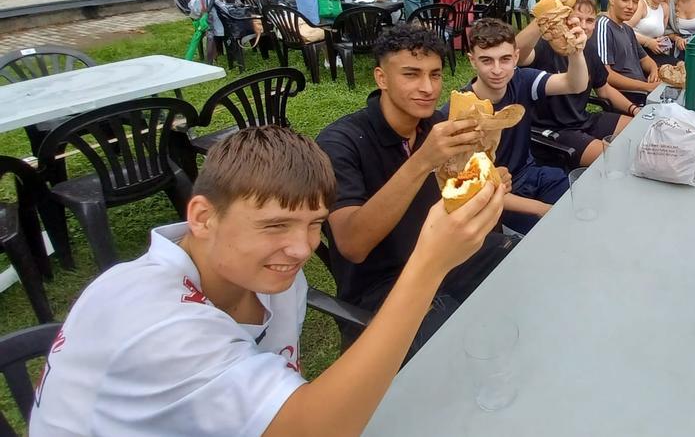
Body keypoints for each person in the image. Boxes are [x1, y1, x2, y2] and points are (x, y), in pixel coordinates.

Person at [30, 125, 506, 436]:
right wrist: (429, 265)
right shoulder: (150, 317)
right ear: (202, 216)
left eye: (314, 222)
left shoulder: (270, 276)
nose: (301, 249)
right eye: (275, 225)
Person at [317, 25, 514, 349]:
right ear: (382, 78)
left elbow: (455, 195)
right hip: (383, 286)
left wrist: (486, 183)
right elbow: (352, 243)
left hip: (445, 256)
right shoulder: (341, 143)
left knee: (523, 267)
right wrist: (422, 160)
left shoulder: (436, 126)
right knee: (472, 341)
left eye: (435, 75)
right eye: (411, 74)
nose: (427, 88)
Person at [449, 18, 588, 233]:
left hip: (532, 174)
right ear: (472, 61)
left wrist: (576, 52)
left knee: (584, 204)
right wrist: (543, 209)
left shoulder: (521, 81)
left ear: (515, 57)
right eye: (487, 61)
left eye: (505, 59)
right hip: (496, 196)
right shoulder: (460, 110)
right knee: (556, 232)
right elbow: (470, 188)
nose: (497, 70)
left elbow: (575, 84)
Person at [514, 0, 636, 167]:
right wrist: (543, 17)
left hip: (583, 120)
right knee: (617, 159)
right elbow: (515, 55)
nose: (585, 26)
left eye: (590, 21)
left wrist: (634, 110)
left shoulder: (589, 48)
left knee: (639, 130)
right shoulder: (544, 45)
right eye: (578, 19)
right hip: (554, 130)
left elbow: (604, 90)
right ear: (565, 19)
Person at [597, 0, 661, 102]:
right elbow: (606, 75)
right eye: (625, 0)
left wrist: (654, 70)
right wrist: (647, 87)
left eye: (635, 1)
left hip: (643, 92)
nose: (631, 7)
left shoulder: (627, 29)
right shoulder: (604, 26)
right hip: (626, 98)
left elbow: (645, 60)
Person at [630, 0, 673, 66]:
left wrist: (662, 43)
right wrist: (647, 42)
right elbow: (625, 30)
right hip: (634, 50)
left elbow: (660, 34)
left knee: (679, 64)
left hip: (652, 51)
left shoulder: (665, 8)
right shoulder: (642, 4)